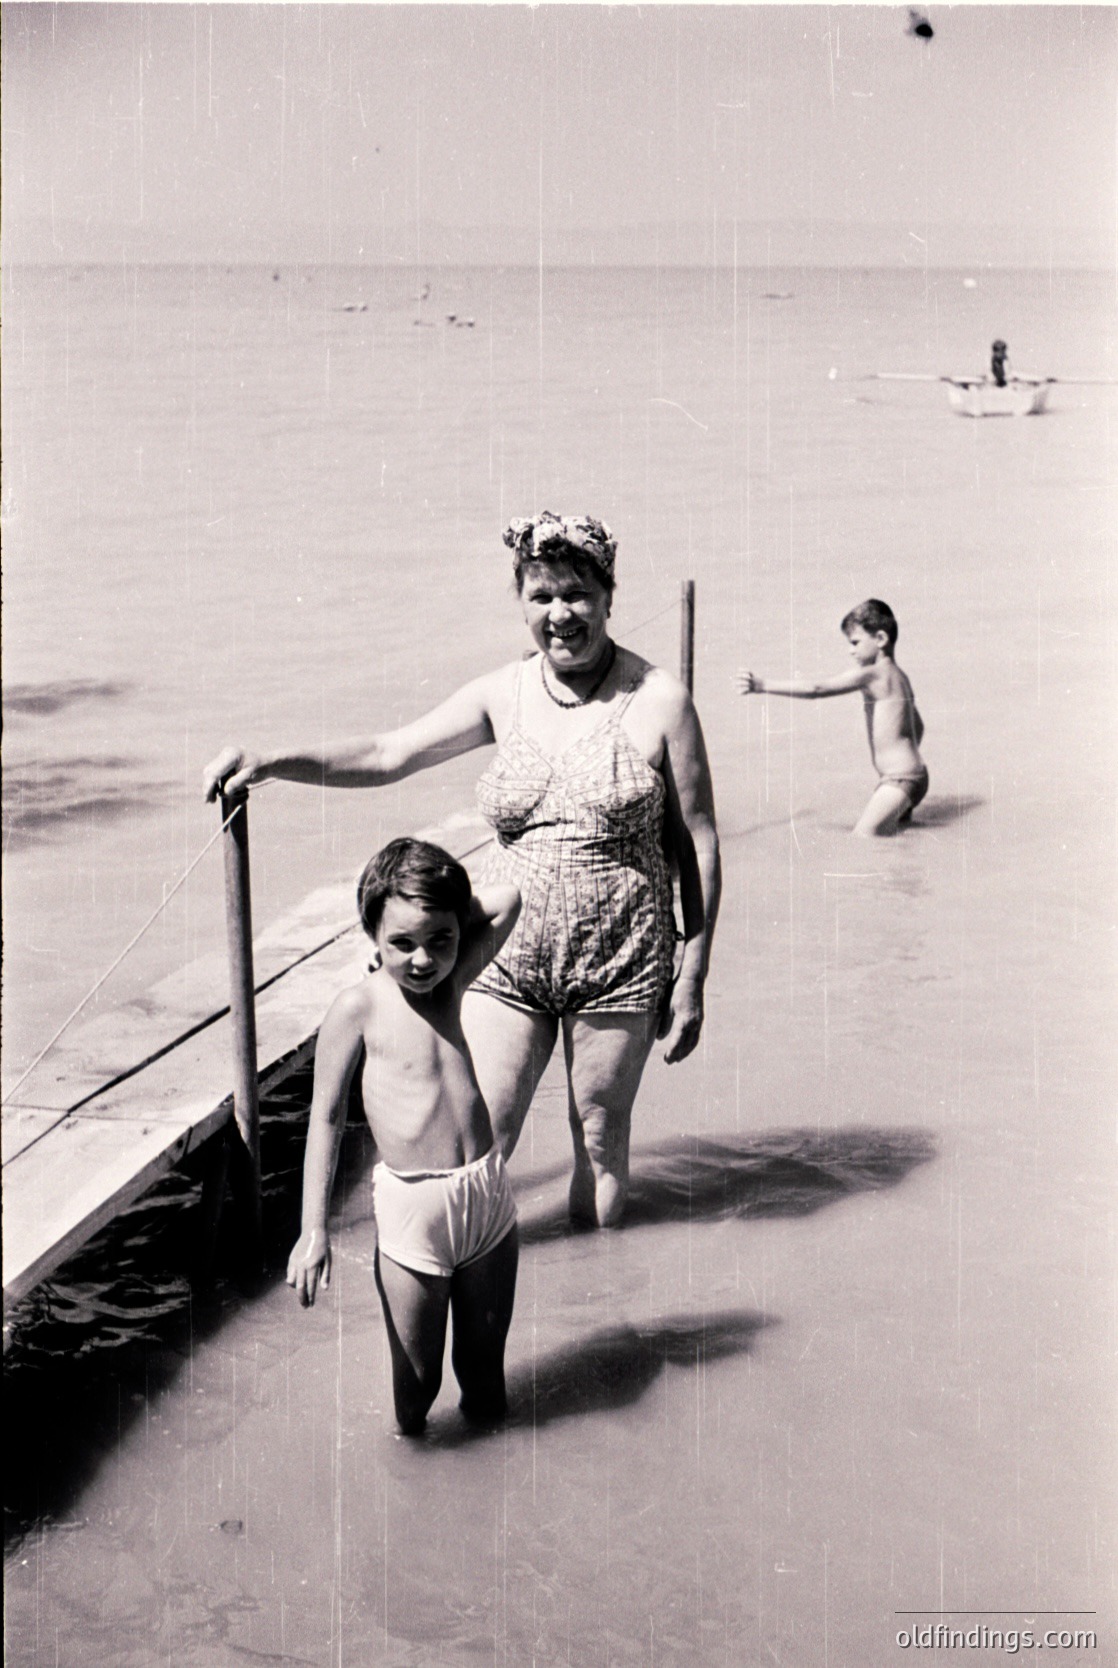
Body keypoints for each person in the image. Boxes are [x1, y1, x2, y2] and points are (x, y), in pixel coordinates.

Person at [204, 512, 720, 1229]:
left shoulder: (660, 700)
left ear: (608, 596)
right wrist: (273, 763)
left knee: (599, 1143)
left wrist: (692, 972)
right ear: (521, 602)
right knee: (475, 1146)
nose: (559, 614)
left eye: (576, 594)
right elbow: (390, 754)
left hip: (623, 960)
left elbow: (698, 843)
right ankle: (459, 1293)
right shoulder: (499, 695)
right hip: (502, 952)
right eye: (541, 597)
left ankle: (597, 1308)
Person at [286, 838, 522, 1435]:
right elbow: (325, 1118)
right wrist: (314, 1229)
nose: (422, 959)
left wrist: (444, 912)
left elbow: (508, 899)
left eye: (439, 940)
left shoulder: (452, 982)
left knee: (485, 1381)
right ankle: (413, 1488)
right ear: (372, 937)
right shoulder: (356, 1008)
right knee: (417, 1392)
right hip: (415, 1212)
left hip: (486, 1200)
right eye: (401, 943)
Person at [736, 598, 927, 837]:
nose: (851, 650)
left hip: (899, 779)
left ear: (880, 639)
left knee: (862, 837)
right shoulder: (900, 677)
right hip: (915, 776)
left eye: (855, 642)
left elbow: (818, 689)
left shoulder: (872, 674)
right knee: (895, 840)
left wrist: (762, 685)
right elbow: (918, 726)